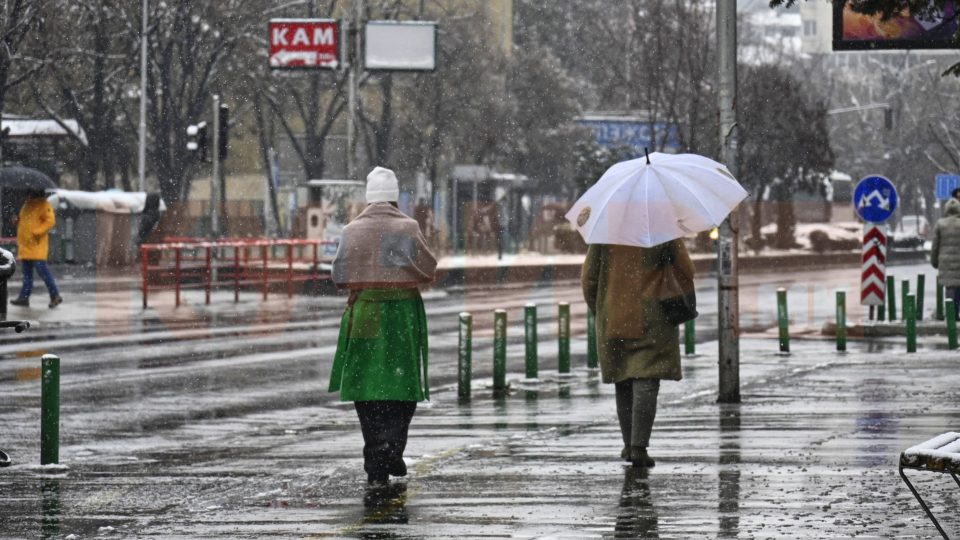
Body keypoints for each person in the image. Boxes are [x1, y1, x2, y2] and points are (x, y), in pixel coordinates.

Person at [329, 166, 437, 487]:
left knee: (367, 385)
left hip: (365, 311)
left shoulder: (351, 231)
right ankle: (392, 446)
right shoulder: (408, 228)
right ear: (394, 198)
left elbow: (338, 275)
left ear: (368, 197)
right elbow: (428, 267)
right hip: (402, 312)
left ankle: (376, 455)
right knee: (403, 385)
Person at [581, 239, 695, 468]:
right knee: (646, 378)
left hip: (614, 314)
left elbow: (589, 279)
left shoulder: (606, 231)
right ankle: (639, 446)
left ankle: (628, 444)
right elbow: (686, 269)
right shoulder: (662, 227)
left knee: (622, 378)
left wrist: (603, 307)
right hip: (653, 314)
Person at [10, 190, 62, 308]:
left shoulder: (43, 204)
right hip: (25, 247)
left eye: (29, 192)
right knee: (27, 275)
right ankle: (24, 298)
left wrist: (36, 232)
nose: (27, 194)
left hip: (37, 246)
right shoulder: (27, 204)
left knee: (43, 273)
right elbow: (26, 222)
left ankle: (55, 295)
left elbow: (50, 221)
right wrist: (17, 222)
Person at [931, 198, 960, 316]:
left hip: (945, 263)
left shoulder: (940, 224)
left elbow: (935, 246)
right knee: (959, 289)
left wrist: (934, 262)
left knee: (949, 289)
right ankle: (957, 312)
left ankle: (951, 315)